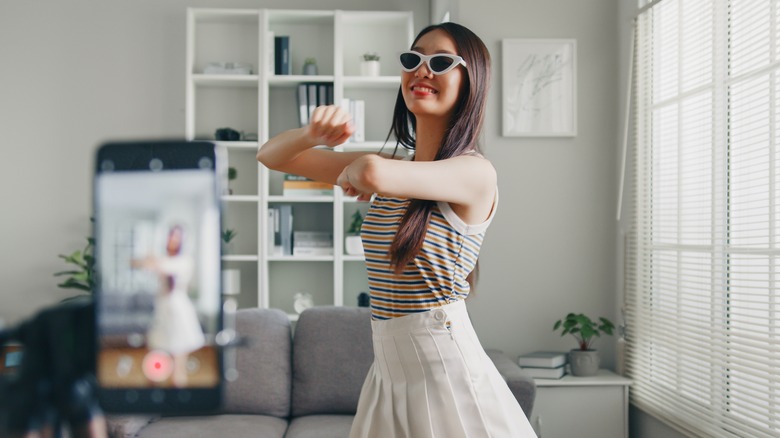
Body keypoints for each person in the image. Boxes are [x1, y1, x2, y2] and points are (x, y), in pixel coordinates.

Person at [258, 22, 536, 438]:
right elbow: (270, 156)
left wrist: (364, 172)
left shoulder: (475, 172)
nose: (422, 71)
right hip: (388, 367)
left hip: (444, 367)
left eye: (440, 61)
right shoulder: (396, 169)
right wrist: (311, 134)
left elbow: (369, 170)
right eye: (413, 60)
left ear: (470, 80)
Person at [132, 225, 205, 388]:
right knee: (153, 365)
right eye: (171, 236)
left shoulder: (184, 261)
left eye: (176, 237)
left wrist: (152, 260)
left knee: (178, 367)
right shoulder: (164, 258)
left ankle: (177, 406)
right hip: (162, 314)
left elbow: (161, 266)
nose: (173, 239)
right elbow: (138, 263)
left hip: (179, 314)